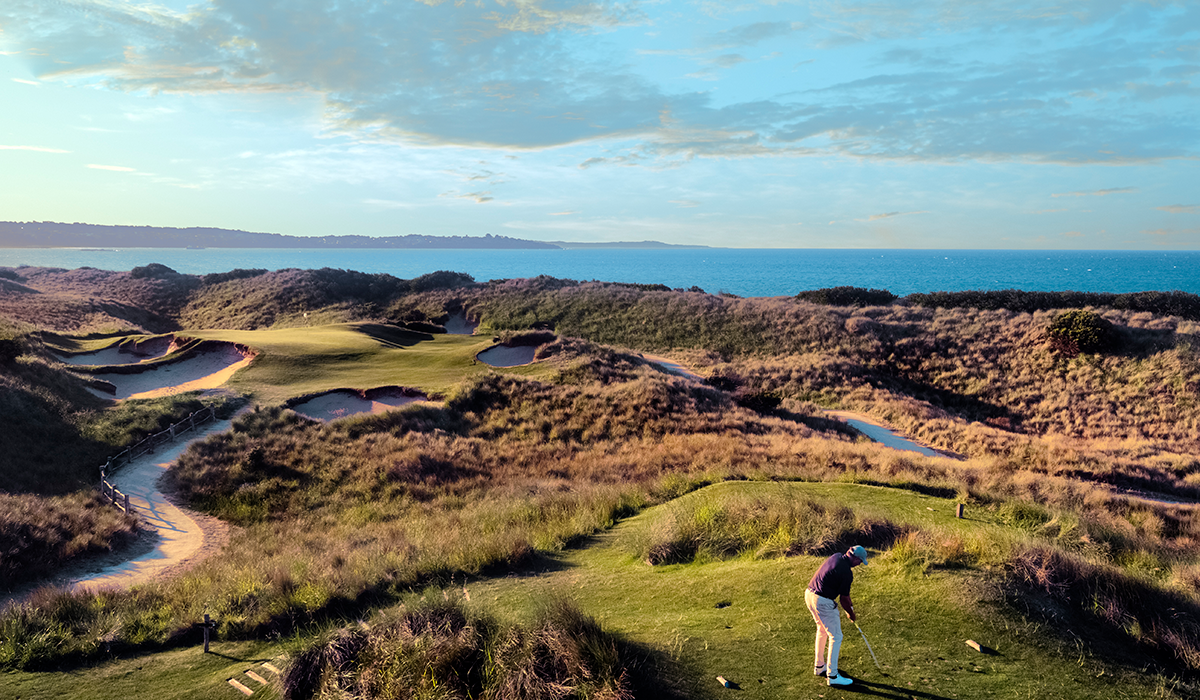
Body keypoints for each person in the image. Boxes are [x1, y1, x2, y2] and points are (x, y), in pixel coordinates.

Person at [805, 544, 869, 686]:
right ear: (855, 558)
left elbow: (846, 595)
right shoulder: (846, 572)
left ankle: (819, 666)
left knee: (822, 630)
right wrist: (850, 613)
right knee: (836, 636)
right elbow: (843, 599)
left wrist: (850, 605)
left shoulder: (837, 556)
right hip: (822, 601)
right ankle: (832, 676)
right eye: (860, 561)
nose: (859, 564)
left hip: (809, 595)